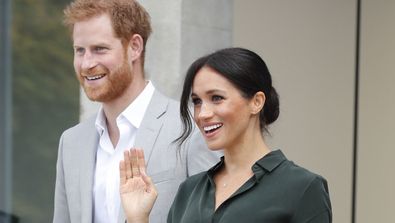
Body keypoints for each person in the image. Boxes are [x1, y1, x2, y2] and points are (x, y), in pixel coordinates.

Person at [119, 47, 332, 223]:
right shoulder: (190, 190)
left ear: (256, 102)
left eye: (217, 98)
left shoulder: (303, 187)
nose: (203, 114)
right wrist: (138, 217)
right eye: (197, 101)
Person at [52, 0, 219, 223]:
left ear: (135, 47)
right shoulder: (71, 142)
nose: (86, 64)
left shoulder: (191, 128)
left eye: (99, 49)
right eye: (79, 50)